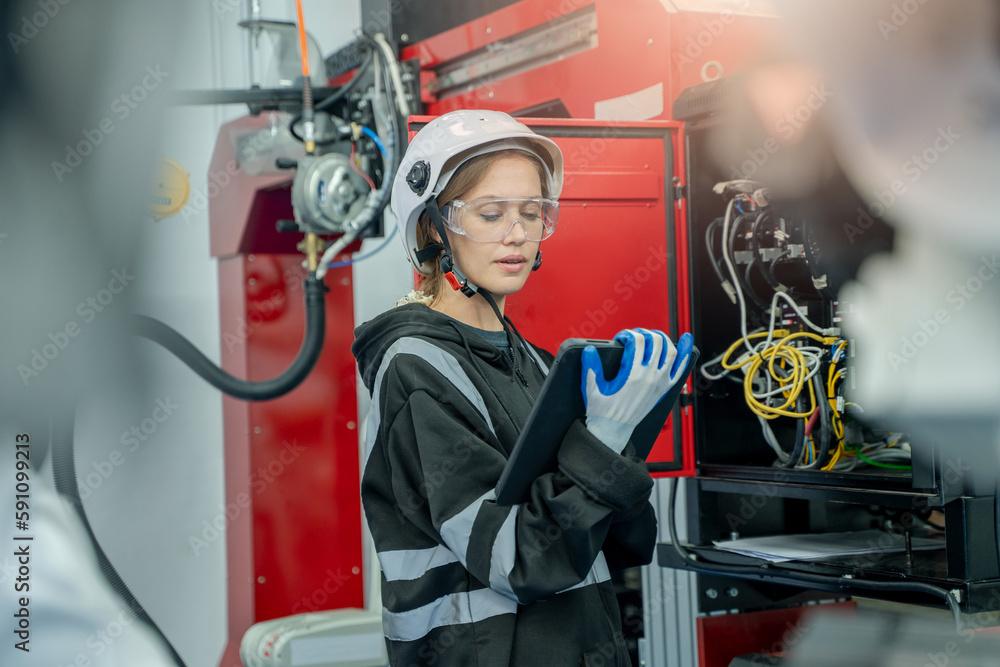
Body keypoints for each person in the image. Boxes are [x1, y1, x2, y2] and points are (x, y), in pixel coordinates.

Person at [352, 109, 691, 667]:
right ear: (436, 228)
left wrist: (626, 429)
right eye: (490, 214)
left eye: (532, 213)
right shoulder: (415, 370)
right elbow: (515, 562)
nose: (517, 234)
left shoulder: (533, 361)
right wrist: (602, 440)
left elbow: (626, 544)